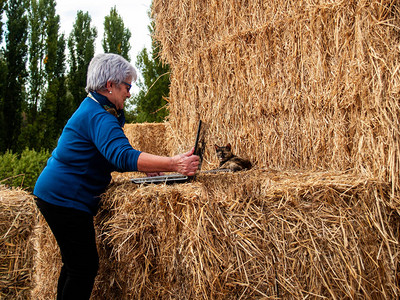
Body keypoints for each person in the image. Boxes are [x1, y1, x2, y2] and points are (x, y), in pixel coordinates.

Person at [33, 53, 199, 299]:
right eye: (127, 87)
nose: (129, 93)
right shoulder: (99, 116)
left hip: (53, 193)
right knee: (83, 268)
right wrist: (174, 163)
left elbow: (108, 155)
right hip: (64, 198)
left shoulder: (95, 107)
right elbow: (121, 155)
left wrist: (144, 166)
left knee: (73, 265)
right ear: (110, 85)